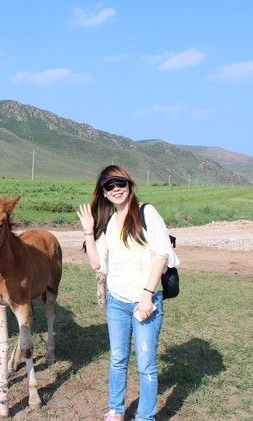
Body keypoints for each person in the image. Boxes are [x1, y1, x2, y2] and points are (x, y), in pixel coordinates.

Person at [77, 165, 179, 421]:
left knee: (146, 365)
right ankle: (116, 409)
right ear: (103, 193)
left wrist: (146, 296)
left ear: (129, 184)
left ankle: (145, 417)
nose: (116, 189)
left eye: (119, 183)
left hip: (145, 303)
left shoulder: (147, 212)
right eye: (109, 186)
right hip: (117, 302)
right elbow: (96, 264)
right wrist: (89, 229)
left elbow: (162, 254)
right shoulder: (110, 222)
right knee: (118, 359)